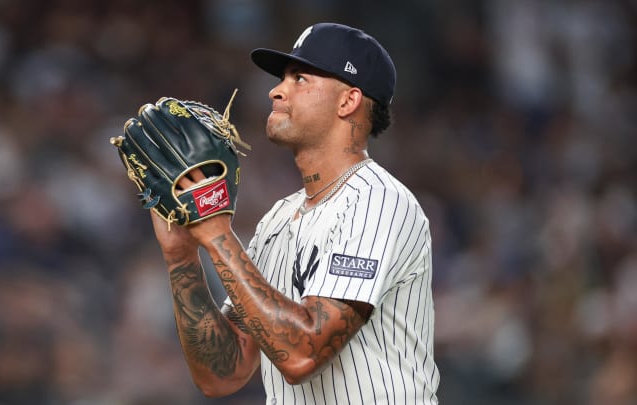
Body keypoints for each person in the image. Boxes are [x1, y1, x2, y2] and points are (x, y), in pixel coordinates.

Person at [150, 22, 440, 404]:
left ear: (348, 101)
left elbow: (303, 354)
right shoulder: (277, 221)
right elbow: (223, 375)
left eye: (300, 78)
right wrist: (181, 256)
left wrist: (215, 232)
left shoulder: (379, 201)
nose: (276, 90)